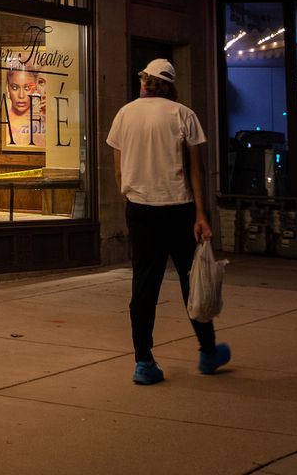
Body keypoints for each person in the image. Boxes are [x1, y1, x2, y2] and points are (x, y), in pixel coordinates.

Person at [105, 58, 230, 385]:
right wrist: (201, 215)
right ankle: (207, 351)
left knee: (144, 285)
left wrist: (130, 199)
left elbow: (119, 172)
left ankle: (144, 362)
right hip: (179, 208)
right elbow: (196, 171)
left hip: (140, 209)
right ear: (170, 85)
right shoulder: (183, 115)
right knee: (194, 282)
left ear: (145, 80)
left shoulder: (124, 114)